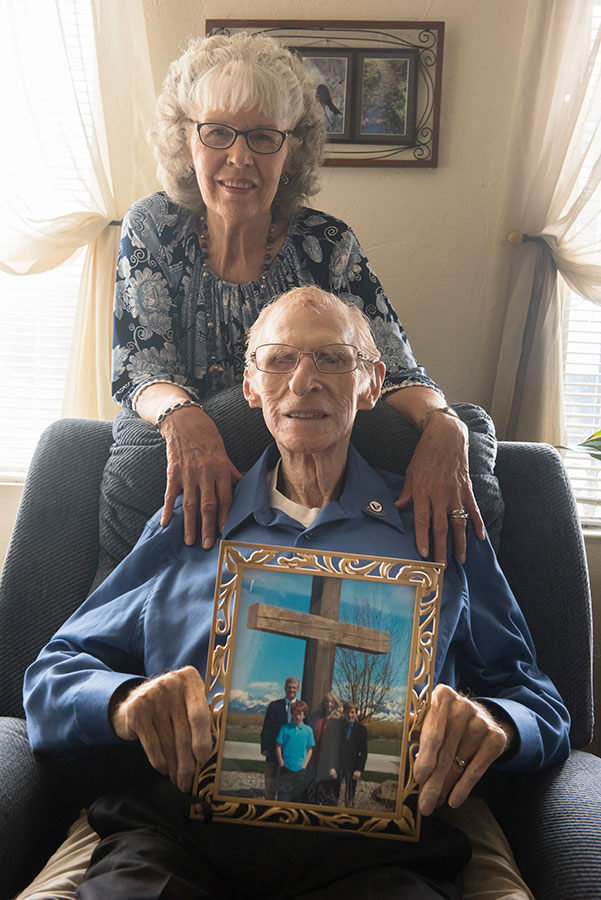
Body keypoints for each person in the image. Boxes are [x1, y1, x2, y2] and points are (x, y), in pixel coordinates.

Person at [22, 287, 569, 900]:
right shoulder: (191, 523)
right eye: (280, 359)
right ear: (251, 386)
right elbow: (49, 678)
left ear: (372, 383)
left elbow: (541, 702)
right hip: (179, 829)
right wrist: (125, 701)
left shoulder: (435, 526)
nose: (303, 381)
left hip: (376, 849)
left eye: (333, 359)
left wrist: (495, 721)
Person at [112, 31, 484, 566]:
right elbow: (142, 367)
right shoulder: (151, 226)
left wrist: (447, 425)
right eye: (217, 132)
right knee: (139, 459)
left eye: (264, 137)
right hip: (184, 442)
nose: (239, 157)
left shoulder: (328, 245)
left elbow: (395, 370)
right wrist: (186, 420)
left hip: (300, 455)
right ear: (185, 140)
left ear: (291, 151)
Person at [260, 675, 300, 799]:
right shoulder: (274, 706)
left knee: (287, 787)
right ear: (284, 688)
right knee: (270, 784)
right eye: (289, 687)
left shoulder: (301, 707)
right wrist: (265, 747)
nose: (291, 690)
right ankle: (268, 807)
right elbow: (266, 727)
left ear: (297, 689)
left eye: (294, 688)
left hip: (292, 754)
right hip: (273, 750)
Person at [275, 700, 315, 802]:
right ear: (292, 714)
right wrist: (280, 761)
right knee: (283, 797)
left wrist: (305, 764)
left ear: (304, 716)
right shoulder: (285, 728)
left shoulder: (308, 730)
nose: (297, 717)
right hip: (286, 767)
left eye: (300, 714)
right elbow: (278, 746)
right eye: (295, 714)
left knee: (298, 797)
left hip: (300, 769)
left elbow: (310, 749)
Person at [306, 691, 342, 805]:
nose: (329, 704)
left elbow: (338, 745)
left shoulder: (339, 720)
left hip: (328, 760)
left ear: (336, 703)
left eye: (332, 701)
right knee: (311, 788)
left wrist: (334, 765)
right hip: (313, 756)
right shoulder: (316, 716)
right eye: (327, 701)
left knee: (326, 792)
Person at [335, 701, 369, 808]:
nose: (350, 715)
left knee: (350, 793)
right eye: (347, 712)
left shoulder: (361, 729)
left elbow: (363, 751)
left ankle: (349, 811)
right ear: (344, 713)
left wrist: (359, 769)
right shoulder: (339, 727)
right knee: (335, 790)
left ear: (356, 713)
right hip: (338, 765)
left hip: (353, 766)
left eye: (352, 712)